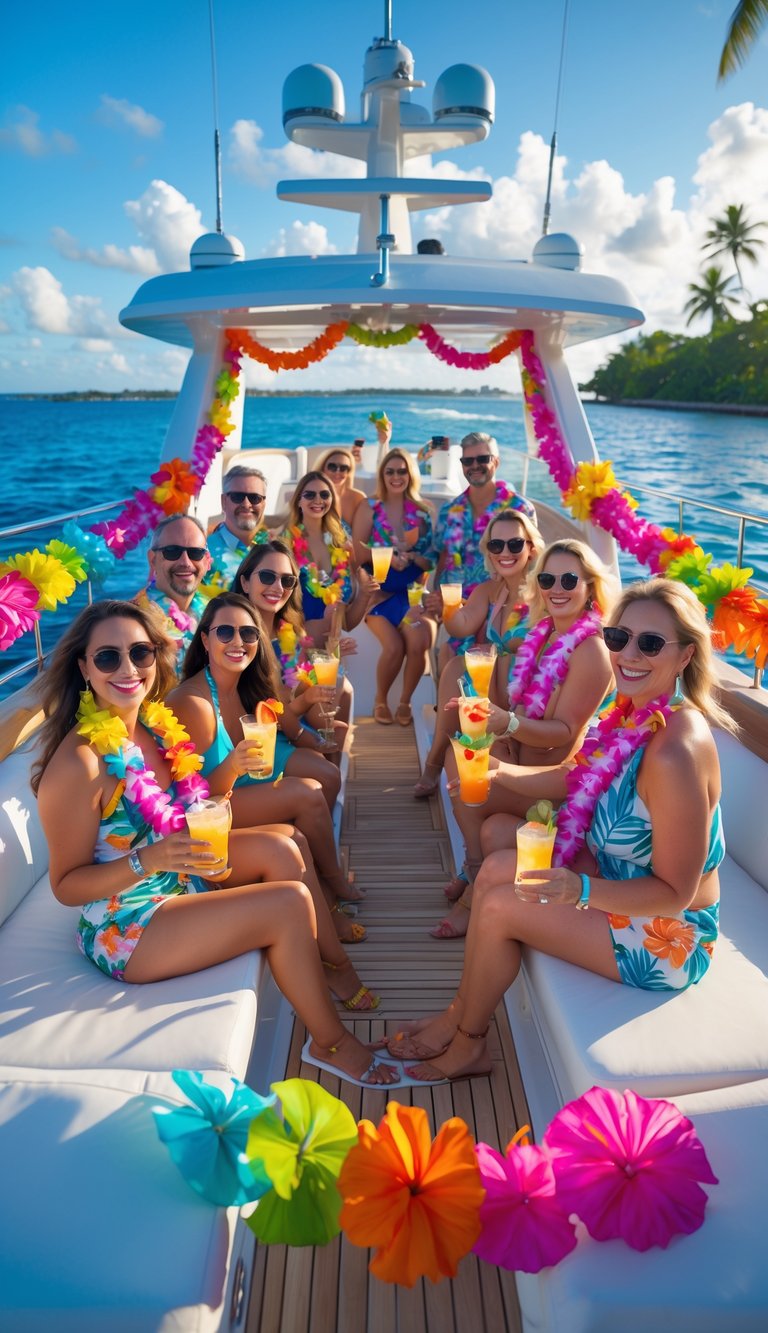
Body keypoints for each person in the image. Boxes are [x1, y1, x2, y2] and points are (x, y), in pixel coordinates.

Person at [33, 600, 395, 1085]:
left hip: (181, 878)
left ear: (155, 659)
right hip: (129, 924)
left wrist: (224, 785)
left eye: (139, 653)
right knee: (287, 903)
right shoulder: (81, 762)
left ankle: (330, 968)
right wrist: (150, 858)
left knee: (285, 843)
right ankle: (329, 1043)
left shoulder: (156, 727)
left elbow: (196, 804)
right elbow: (66, 886)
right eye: (107, 657)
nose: (127, 669)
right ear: (84, 667)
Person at [385, 578, 733, 1080]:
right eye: (619, 638)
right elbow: (577, 776)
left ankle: (469, 1042)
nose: (628, 654)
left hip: (669, 935)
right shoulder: (631, 711)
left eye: (650, 643)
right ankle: (458, 1012)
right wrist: (502, 773)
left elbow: (676, 893)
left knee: (504, 904)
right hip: (618, 881)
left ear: (684, 657)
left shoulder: (676, 750)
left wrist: (580, 889)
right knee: (499, 866)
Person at [430, 538, 615, 938]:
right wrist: (499, 726)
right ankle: (476, 868)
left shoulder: (592, 651)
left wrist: (507, 723)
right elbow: (527, 703)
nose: (557, 588)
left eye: (570, 579)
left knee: (462, 768)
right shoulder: (543, 634)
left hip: (554, 784)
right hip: (526, 764)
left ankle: (474, 876)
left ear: (590, 586)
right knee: (469, 758)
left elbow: (564, 731)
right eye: (548, 578)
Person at [168, 594, 366, 936]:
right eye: (225, 632)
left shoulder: (244, 683)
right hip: (206, 811)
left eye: (248, 634)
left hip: (236, 789)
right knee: (306, 794)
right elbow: (192, 802)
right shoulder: (196, 704)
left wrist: (313, 733)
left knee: (316, 786)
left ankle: (327, 890)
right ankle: (333, 886)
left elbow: (284, 722)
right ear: (205, 638)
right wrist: (233, 763)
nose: (237, 642)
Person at [414, 507, 543, 796]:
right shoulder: (489, 590)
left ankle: (437, 763)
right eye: (496, 545)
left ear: (531, 549)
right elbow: (460, 626)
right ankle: (436, 759)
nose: (505, 552)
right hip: (494, 682)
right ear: (489, 550)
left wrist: (507, 654)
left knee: (461, 666)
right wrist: (448, 606)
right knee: (458, 664)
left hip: (529, 687)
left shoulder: (544, 592)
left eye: (515, 544)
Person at [233, 539, 353, 753]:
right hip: (259, 730)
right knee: (326, 759)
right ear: (245, 583)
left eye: (287, 580)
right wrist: (307, 703)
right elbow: (270, 711)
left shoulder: (290, 633)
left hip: (292, 717)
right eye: (267, 577)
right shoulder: (239, 636)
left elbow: (294, 691)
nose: (277, 587)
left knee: (339, 730)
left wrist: (333, 660)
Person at [431, 431, 537, 671]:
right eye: (467, 461)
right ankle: (449, 707)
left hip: (500, 601)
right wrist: (437, 597)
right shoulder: (450, 510)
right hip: (457, 606)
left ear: (495, 462)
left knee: (466, 654)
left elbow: (529, 562)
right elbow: (442, 557)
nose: (475, 466)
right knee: (447, 654)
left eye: (482, 459)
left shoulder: (520, 508)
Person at [352, 448, 436, 725]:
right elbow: (356, 552)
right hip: (378, 595)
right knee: (393, 647)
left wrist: (412, 558)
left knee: (419, 641)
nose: (396, 476)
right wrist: (385, 554)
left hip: (410, 596)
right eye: (390, 471)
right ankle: (380, 701)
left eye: (402, 471)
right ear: (382, 475)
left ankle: (404, 703)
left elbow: (429, 561)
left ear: (410, 474)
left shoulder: (423, 512)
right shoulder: (369, 507)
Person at [281, 470, 375, 648]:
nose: (318, 500)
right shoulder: (286, 546)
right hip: (297, 656)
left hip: (333, 656)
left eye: (324, 494)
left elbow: (346, 622)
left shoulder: (341, 545)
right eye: (309, 494)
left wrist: (364, 594)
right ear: (298, 501)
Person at [135, 514, 210, 672]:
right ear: (152, 560)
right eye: (172, 551)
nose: (185, 562)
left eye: (195, 553)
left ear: (206, 560)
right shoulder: (136, 621)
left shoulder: (213, 612)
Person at [204, 464, 271, 591]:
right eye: (237, 497)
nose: (246, 504)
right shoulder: (203, 552)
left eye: (255, 498)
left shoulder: (273, 548)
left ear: (263, 504)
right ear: (223, 501)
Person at [317, 447, 368, 529]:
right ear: (322, 468)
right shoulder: (310, 497)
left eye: (343, 468)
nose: (337, 472)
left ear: (349, 472)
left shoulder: (358, 498)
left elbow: (364, 533)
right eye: (332, 467)